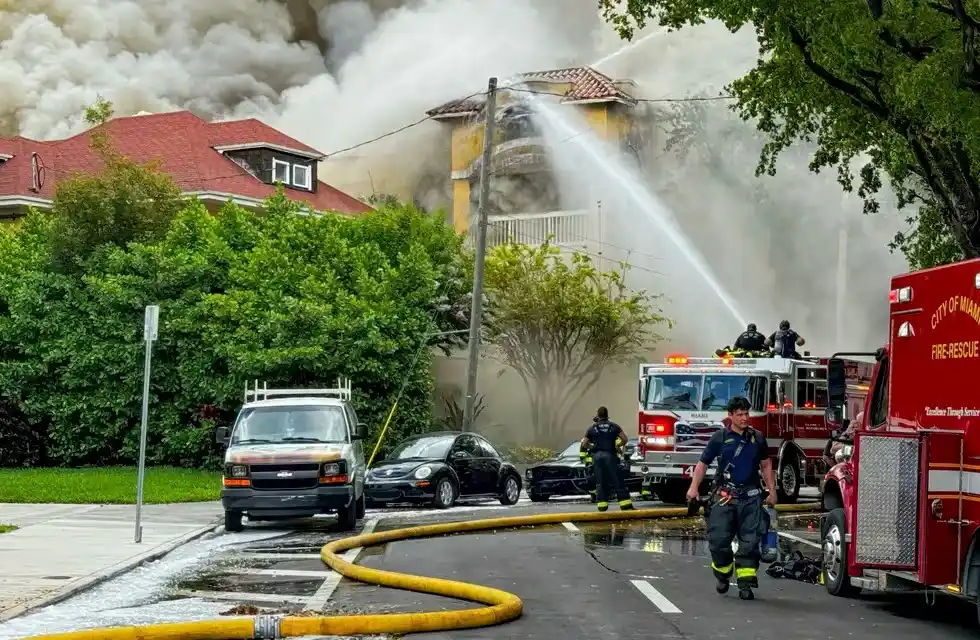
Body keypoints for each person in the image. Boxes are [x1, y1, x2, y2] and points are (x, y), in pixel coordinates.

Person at [685, 396, 777, 600]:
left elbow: (766, 465)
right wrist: (693, 488)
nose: (745, 418)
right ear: (730, 416)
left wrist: (772, 490)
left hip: (751, 498)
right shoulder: (719, 438)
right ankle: (723, 573)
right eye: (740, 414)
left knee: (750, 543)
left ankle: (746, 584)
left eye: (747, 413)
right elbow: (703, 464)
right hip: (724, 497)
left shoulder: (758, 438)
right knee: (718, 541)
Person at [580, 406, 635, 512]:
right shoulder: (614, 426)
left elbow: (585, 443)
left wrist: (593, 447)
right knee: (617, 479)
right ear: (607, 415)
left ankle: (602, 506)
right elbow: (625, 439)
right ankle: (625, 505)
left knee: (600, 481)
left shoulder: (592, 428)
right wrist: (616, 445)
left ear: (598, 415)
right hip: (610, 456)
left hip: (597, 457)